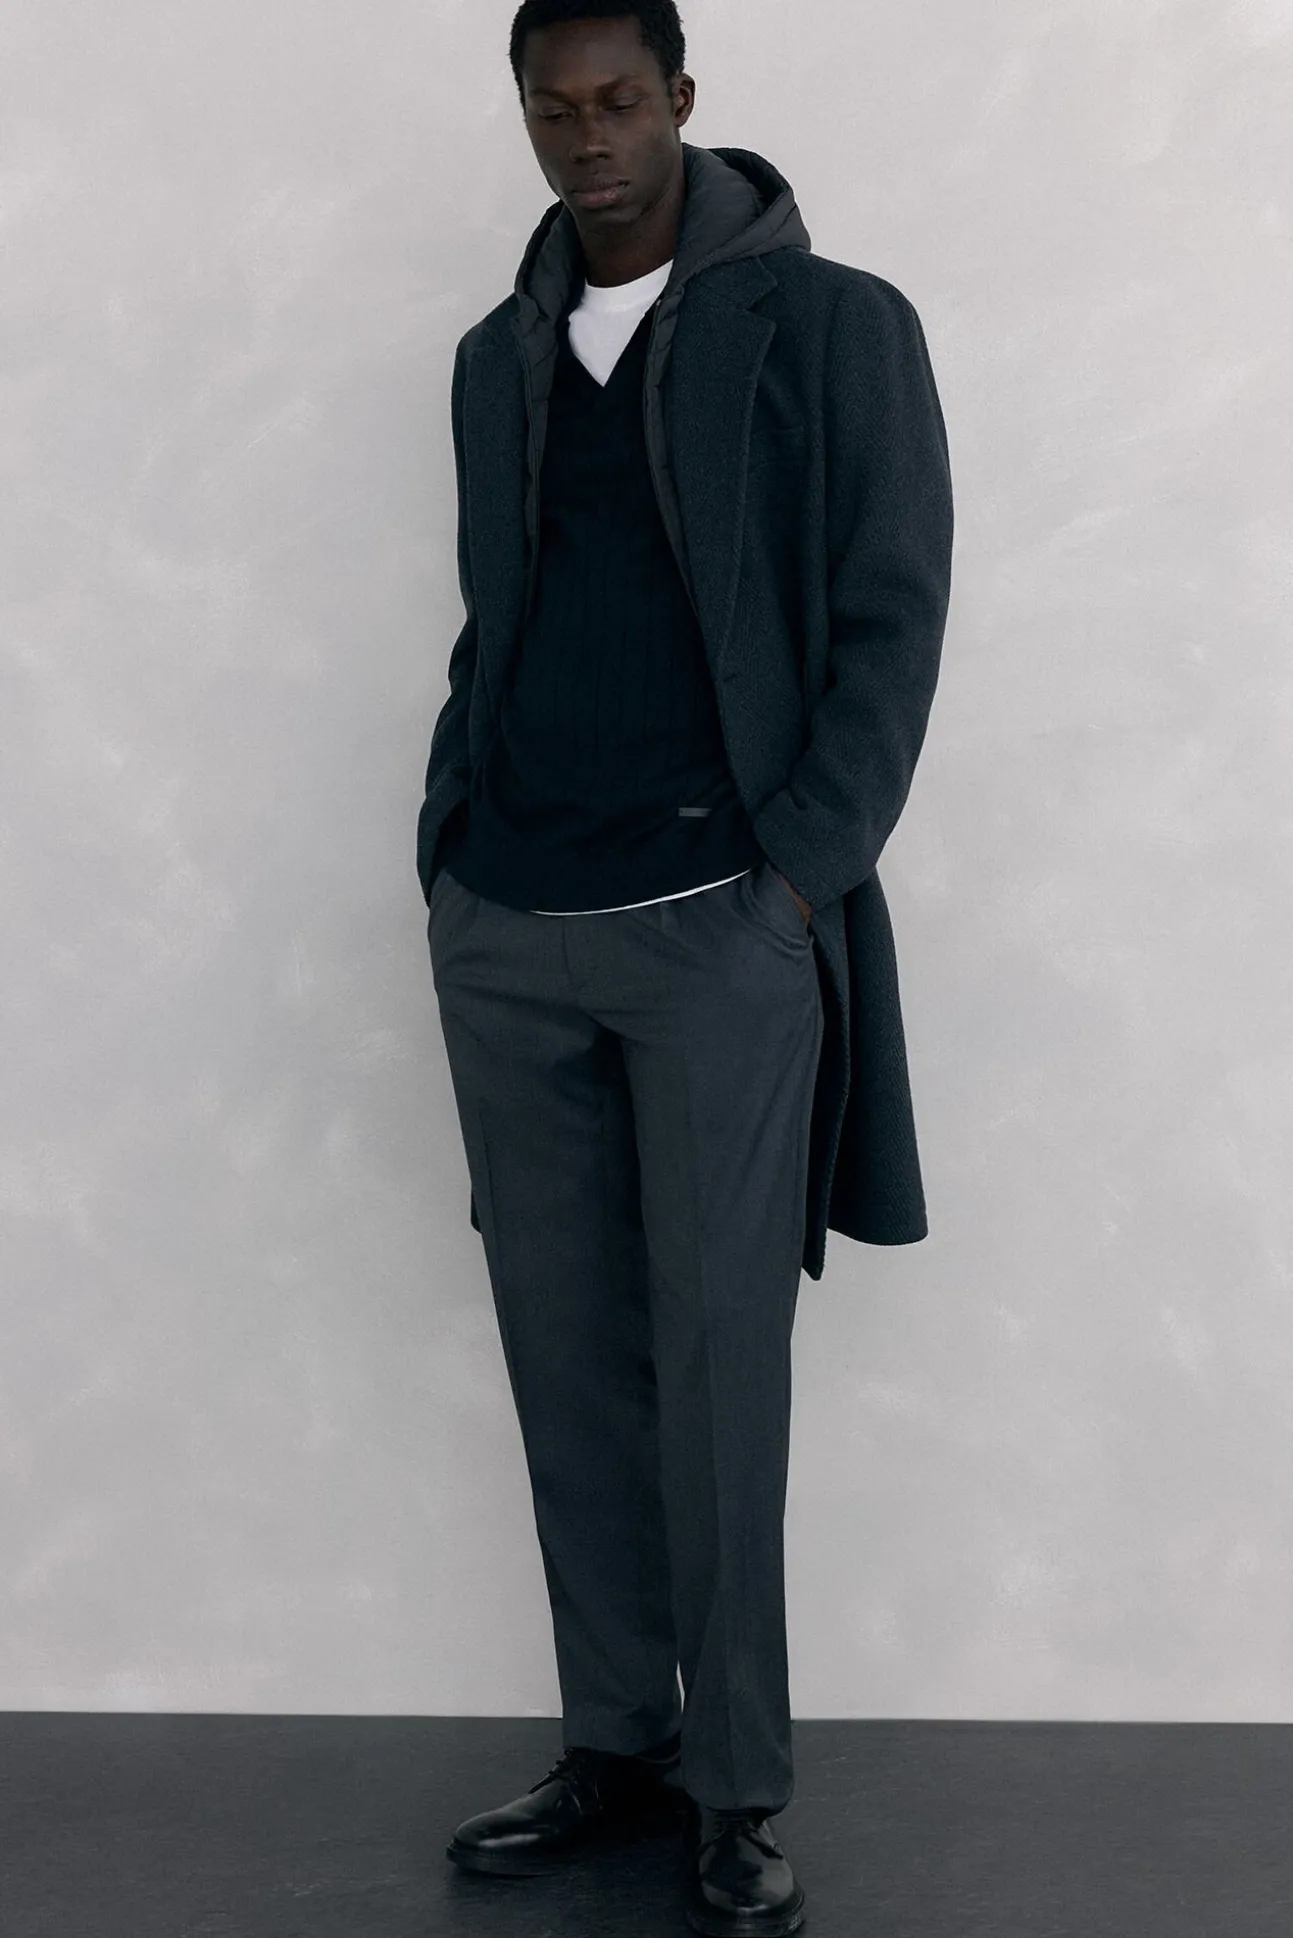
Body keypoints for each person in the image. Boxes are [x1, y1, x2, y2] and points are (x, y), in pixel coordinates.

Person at [417, 4, 954, 1930]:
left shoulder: (834, 327)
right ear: (525, 116)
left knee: (722, 1362)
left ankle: (736, 1785)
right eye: (553, 109)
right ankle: (617, 1742)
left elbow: (893, 619)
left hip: (721, 922)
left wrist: (794, 879)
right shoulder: (497, 354)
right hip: (512, 923)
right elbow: (497, 618)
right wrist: (448, 852)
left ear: (684, 103)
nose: (589, 139)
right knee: (565, 1357)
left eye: (621, 101)